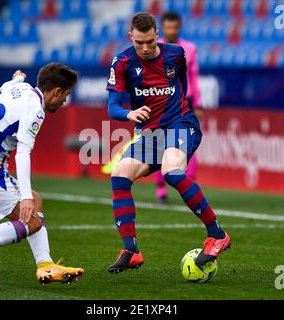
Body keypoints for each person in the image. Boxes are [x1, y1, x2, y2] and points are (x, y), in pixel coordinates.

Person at [106, 12, 230, 273]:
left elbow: (182, 86)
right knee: (119, 174)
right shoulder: (122, 62)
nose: (145, 48)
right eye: (139, 42)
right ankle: (131, 249)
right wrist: (129, 113)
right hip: (151, 134)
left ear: (157, 35)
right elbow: (112, 107)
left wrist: (178, 109)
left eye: (149, 41)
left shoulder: (176, 54)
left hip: (181, 123)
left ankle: (217, 234)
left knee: (171, 172)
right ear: (131, 37)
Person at [0, 63, 84, 286]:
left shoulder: (18, 89)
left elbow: (5, 88)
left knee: (36, 202)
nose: (65, 102)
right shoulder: (35, 109)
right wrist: (24, 196)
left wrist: (17, 78)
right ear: (56, 91)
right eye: (66, 95)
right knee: (31, 219)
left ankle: (45, 265)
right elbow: (23, 153)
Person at [154, 11, 203, 204]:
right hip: (162, 102)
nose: (172, 30)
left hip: (185, 102)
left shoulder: (189, 48)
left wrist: (198, 103)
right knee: (159, 144)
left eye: (175, 27)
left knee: (188, 143)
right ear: (162, 28)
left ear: (179, 27)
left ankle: (189, 187)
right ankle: (161, 190)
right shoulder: (156, 48)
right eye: (168, 27)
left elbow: (194, 76)